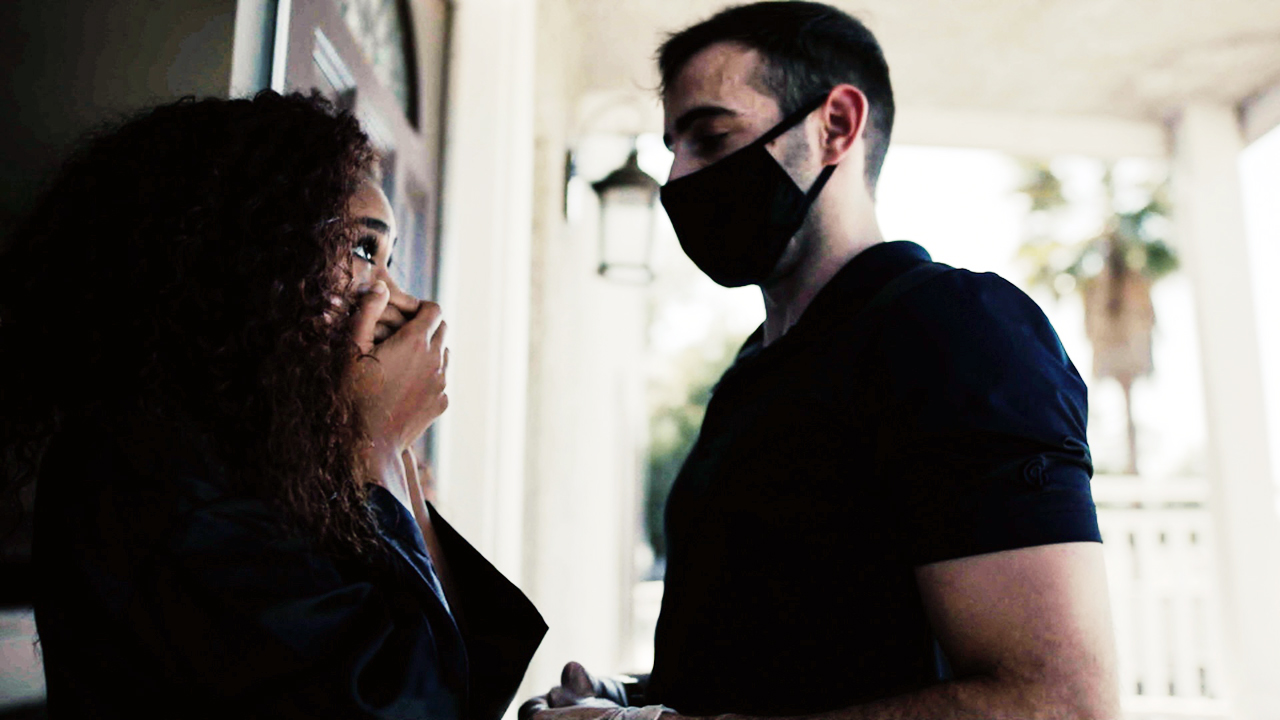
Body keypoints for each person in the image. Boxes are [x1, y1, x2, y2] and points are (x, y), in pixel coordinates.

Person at [525, 3, 1119, 719]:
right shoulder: (754, 372)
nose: (676, 178)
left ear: (835, 125)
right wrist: (630, 697)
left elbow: (1057, 702)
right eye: (672, 146)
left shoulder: (954, 331)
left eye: (712, 137)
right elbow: (794, 657)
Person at [0, 91, 545, 719]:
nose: (397, 299)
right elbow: (409, 705)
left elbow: (466, 680)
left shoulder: (262, 458)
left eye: (390, 260)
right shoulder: (157, 471)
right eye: (363, 250)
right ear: (251, 255)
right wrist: (381, 445)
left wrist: (392, 463)